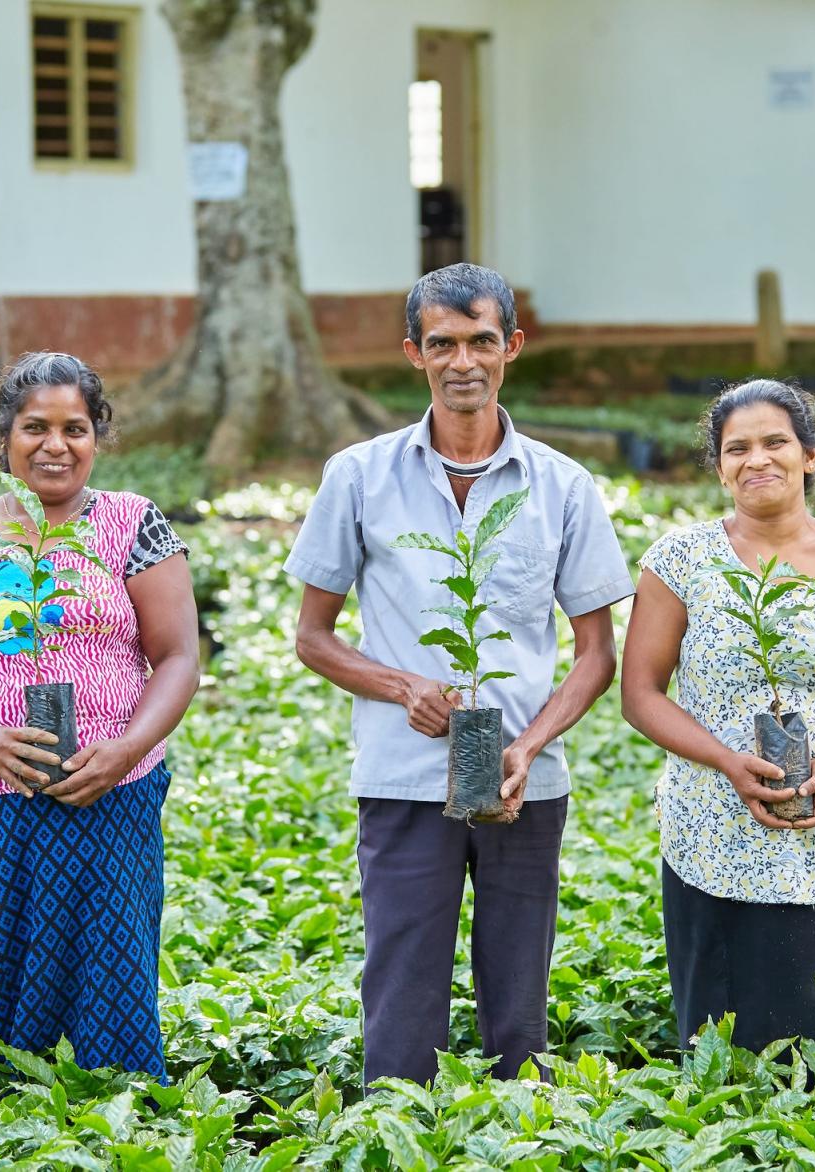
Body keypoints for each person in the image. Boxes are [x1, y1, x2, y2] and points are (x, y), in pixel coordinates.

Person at [284, 264, 634, 1087]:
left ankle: (513, 1139)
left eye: (482, 341)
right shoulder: (360, 476)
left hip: (524, 782)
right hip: (405, 779)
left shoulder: (562, 486)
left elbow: (596, 654)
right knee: (401, 995)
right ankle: (401, 1132)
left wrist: (529, 746)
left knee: (519, 1002)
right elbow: (312, 637)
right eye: (442, 344)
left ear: (512, 346)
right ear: (414, 353)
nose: (463, 361)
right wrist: (405, 687)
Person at [0, 351, 198, 1079]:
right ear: (5, 438)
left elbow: (178, 658)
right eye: (35, 428)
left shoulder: (133, 524)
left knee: (111, 948)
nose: (55, 446)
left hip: (113, 790)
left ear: (97, 438)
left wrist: (126, 749)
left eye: (75, 428)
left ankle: (110, 1099)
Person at [620, 379, 815, 1085]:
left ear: (811, 455)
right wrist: (727, 761)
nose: (756, 459)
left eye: (774, 442)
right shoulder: (680, 561)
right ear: (720, 466)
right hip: (713, 838)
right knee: (729, 1053)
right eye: (737, 448)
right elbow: (640, 694)